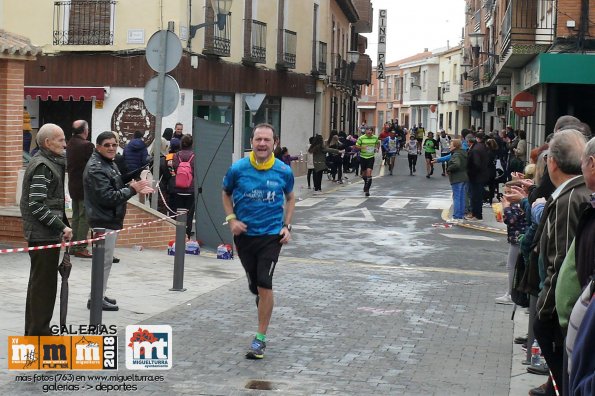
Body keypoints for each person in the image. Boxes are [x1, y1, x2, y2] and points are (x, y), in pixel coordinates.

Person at [221, 123, 295, 359]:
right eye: (258, 140)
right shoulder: (238, 169)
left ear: (275, 142)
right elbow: (226, 193)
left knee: (265, 282)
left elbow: (291, 197)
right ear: (251, 142)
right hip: (244, 236)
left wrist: (286, 226)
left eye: (267, 140)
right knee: (255, 285)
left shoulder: (283, 170)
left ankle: (259, 339)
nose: (262, 144)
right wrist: (232, 219)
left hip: (271, 236)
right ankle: (260, 296)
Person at [533, 130, 590, 396]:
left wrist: (543, 313)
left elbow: (560, 261)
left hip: (563, 316)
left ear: (552, 162)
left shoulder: (569, 199)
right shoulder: (577, 194)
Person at [84, 131, 152, 311]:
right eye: (107, 145)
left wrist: (133, 182)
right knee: (103, 261)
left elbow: (116, 183)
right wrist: (133, 189)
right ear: (98, 147)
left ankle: (99, 293)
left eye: (114, 144)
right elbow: (108, 197)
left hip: (109, 219)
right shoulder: (96, 167)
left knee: (105, 262)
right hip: (102, 220)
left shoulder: (108, 163)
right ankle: (95, 298)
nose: (111, 148)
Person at [20, 123, 73, 336]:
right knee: (44, 286)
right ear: (47, 143)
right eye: (60, 140)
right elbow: (36, 205)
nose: (65, 143)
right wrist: (62, 227)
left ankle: (36, 329)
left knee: (41, 284)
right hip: (42, 235)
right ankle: (38, 333)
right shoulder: (43, 166)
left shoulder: (51, 162)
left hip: (46, 233)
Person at [496, 181, 529, 304]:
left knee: (511, 266)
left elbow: (511, 220)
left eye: (510, 192)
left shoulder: (518, 205)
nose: (507, 195)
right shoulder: (520, 204)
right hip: (517, 238)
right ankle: (513, 293)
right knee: (515, 266)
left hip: (518, 239)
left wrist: (505, 208)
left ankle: (510, 294)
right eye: (506, 192)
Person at [66, 120, 95, 259]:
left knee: (76, 216)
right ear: (85, 131)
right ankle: (80, 247)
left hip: (73, 185)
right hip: (85, 186)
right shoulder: (87, 145)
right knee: (85, 217)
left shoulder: (70, 142)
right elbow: (94, 165)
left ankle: (73, 245)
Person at [172, 135, 196, 238]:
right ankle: (187, 237)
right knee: (189, 216)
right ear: (192, 144)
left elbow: (175, 168)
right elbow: (195, 171)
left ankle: (178, 237)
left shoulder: (176, 155)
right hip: (191, 189)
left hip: (178, 189)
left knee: (179, 215)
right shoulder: (195, 156)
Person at [466, 133, 490, 221]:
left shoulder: (475, 150)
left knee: (475, 196)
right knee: (477, 196)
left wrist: (470, 172)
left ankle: (476, 214)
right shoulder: (481, 146)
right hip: (481, 175)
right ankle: (476, 213)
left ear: (469, 141)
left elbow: (476, 164)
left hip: (476, 177)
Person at [444, 139, 468, 222]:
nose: (449, 146)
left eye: (451, 145)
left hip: (457, 178)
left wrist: (448, 169)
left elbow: (456, 164)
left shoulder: (456, 154)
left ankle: (456, 216)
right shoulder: (463, 153)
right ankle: (460, 216)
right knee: (462, 197)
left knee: (457, 197)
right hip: (464, 177)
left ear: (455, 146)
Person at [355, 127, 380, 197]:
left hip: (371, 157)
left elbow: (378, 143)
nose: (369, 133)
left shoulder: (375, 137)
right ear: (365, 132)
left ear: (372, 132)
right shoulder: (361, 138)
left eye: (370, 131)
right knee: (364, 175)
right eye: (368, 132)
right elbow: (356, 146)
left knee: (369, 172)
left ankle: (367, 189)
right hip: (363, 157)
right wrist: (363, 147)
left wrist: (377, 148)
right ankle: (365, 182)